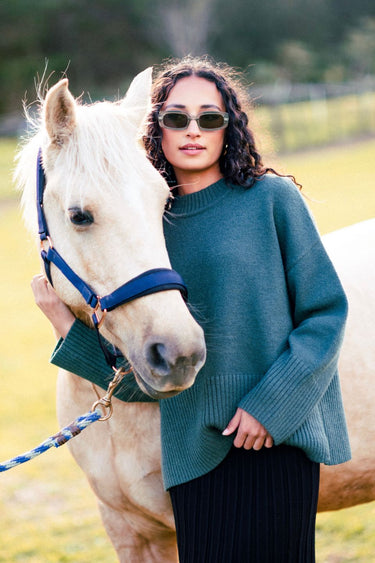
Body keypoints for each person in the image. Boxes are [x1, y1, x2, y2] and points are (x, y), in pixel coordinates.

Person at [32, 56, 351, 562]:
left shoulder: (272, 198)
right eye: (176, 118)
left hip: (275, 443)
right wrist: (65, 330)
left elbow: (326, 312)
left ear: (231, 125)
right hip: (194, 455)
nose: (193, 131)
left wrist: (271, 409)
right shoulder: (148, 228)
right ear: (155, 127)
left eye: (211, 117)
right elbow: (144, 378)